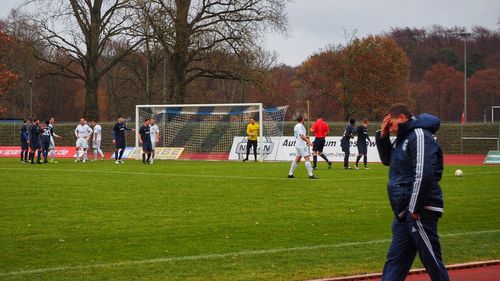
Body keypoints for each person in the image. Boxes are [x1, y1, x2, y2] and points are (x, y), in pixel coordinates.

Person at [376, 103, 449, 281]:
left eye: (390, 123)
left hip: (419, 210)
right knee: (395, 260)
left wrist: (415, 209)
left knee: (431, 260)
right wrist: (383, 136)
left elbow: (424, 173)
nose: (390, 128)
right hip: (404, 212)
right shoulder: (401, 139)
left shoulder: (419, 135)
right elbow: (387, 160)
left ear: (402, 118)